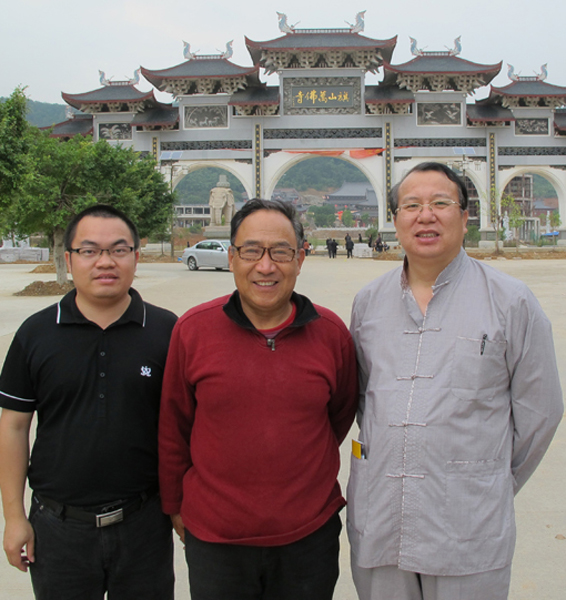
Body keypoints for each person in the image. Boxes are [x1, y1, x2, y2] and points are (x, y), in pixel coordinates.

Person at [347, 162, 563, 600]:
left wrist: (486, 478)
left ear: (465, 218)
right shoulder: (368, 303)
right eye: (411, 205)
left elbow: (540, 412)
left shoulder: (510, 301)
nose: (425, 216)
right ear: (395, 219)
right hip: (382, 518)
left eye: (440, 203)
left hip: (468, 522)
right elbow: (364, 404)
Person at [159, 198, 358, 600]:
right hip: (217, 541)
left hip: (308, 538)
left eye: (281, 252)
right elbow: (174, 426)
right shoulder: (193, 330)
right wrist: (176, 507)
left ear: (301, 258)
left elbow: (338, 416)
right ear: (232, 258)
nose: (265, 266)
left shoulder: (332, 334)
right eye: (251, 251)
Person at [0, 205, 177, 600]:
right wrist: (14, 517)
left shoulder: (169, 332)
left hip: (144, 524)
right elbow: (13, 426)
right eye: (89, 250)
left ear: (136, 254)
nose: (105, 262)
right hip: (58, 528)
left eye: (118, 249)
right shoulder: (36, 334)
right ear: (69, 259)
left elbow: (185, 427)